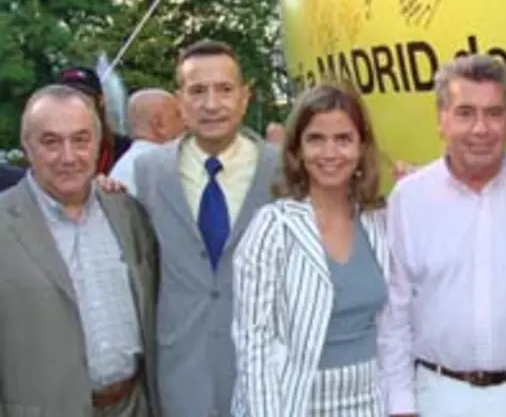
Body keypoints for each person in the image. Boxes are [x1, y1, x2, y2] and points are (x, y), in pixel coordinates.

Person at [380, 54, 506, 416]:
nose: (481, 129)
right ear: (441, 120)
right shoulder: (409, 198)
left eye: (494, 113)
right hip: (438, 395)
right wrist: (401, 403)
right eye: (465, 113)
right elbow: (395, 311)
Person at [133, 39, 280, 417]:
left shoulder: (284, 171)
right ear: (179, 100)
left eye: (225, 90)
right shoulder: (149, 172)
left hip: (266, 378)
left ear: (245, 97)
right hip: (180, 374)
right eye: (197, 91)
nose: (211, 104)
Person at [0, 84, 160, 416]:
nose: (68, 157)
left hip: (134, 405)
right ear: (26, 146)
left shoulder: (128, 212)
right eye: (50, 142)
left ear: (98, 144)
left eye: (81, 139)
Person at [231, 81, 389, 416]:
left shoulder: (380, 223)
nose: (330, 153)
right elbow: (253, 344)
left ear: (362, 147)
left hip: (372, 399)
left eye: (343, 139)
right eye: (316, 139)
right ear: (297, 150)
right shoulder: (273, 227)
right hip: (296, 401)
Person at [58, 66, 133, 173]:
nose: (75, 104)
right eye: (66, 98)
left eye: (83, 97)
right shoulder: (46, 151)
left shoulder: (125, 150)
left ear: (100, 100)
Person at [109, 89, 184, 195]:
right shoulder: (161, 166)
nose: (185, 122)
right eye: (178, 115)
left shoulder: (125, 165)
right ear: (159, 124)